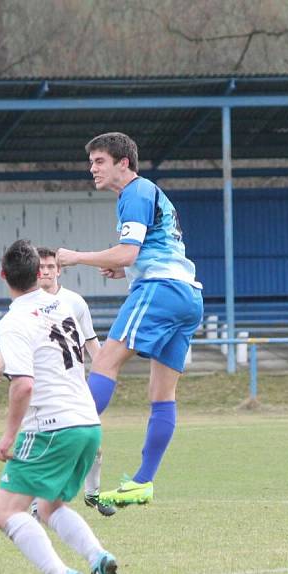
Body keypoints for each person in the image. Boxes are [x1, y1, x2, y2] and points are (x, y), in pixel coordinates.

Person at [57, 132, 204, 508]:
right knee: (162, 394)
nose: (92, 169)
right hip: (187, 294)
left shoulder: (135, 193)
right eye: (91, 162)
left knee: (105, 360)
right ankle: (143, 482)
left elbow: (125, 253)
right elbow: (151, 250)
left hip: (161, 289)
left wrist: (74, 257)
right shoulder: (150, 193)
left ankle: (64, 447)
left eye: (99, 161)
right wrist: (128, 269)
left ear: (124, 163)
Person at [0, 239, 117, 574]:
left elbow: (23, 386)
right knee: (49, 505)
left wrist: (8, 436)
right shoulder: (63, 307)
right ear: (38, 273)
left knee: (4, 511)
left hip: (51, 427)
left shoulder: (14, 320)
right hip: (87, 423)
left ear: (4, 276)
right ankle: (99, 557)